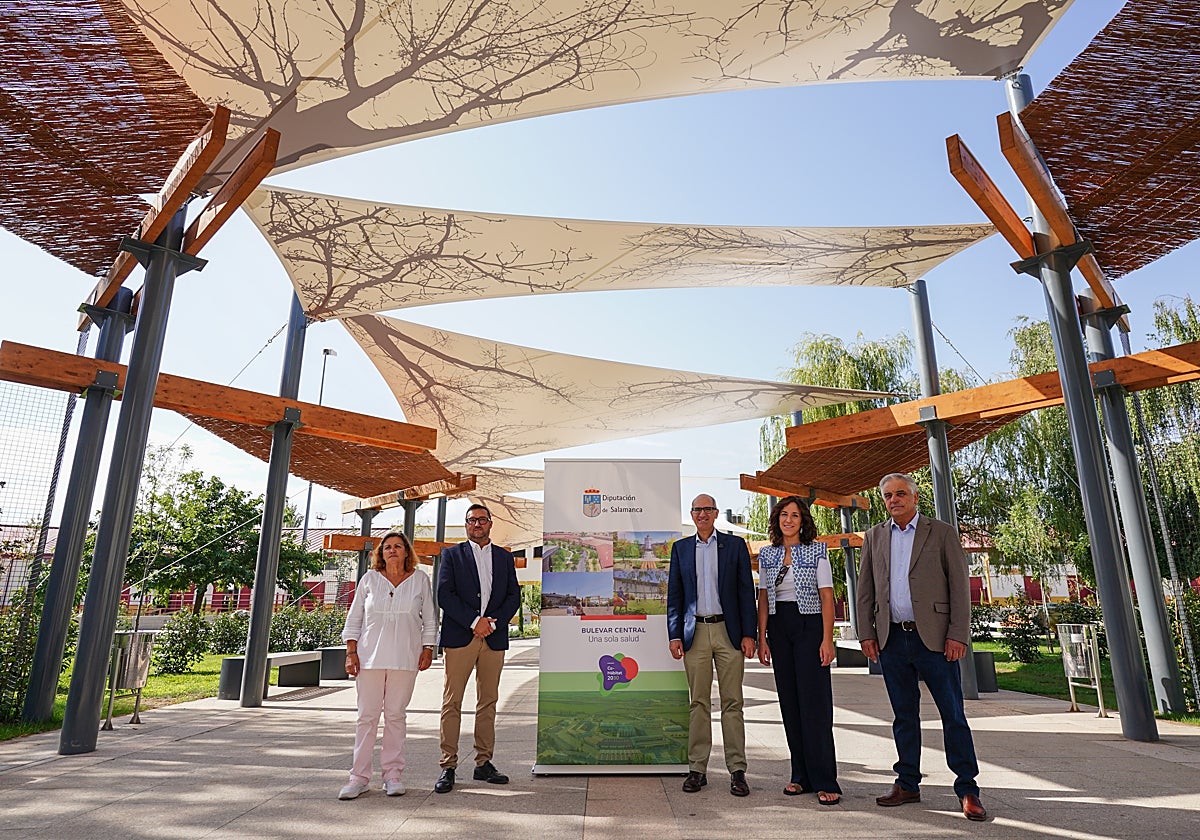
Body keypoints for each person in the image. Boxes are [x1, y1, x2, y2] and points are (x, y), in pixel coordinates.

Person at [856, 473, 987, 822]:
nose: (894, 500)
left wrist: (958, 634)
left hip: (936, 640)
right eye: (888, 495)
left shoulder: (941, 532)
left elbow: (959, 586)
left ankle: (967, 788)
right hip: (892, 640)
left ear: (915, 497)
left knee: (952, 715)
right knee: (904, 716)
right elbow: (865, 589)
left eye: (900, 493)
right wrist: (866, 633)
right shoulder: (875, 536)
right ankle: (907, 784)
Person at [666, 494, 757, 797]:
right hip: (695, 634)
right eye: (697, 510)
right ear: (692, 515)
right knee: (699, 703)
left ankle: (737, 771)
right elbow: (675, 596)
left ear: (716, 513)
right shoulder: (680, 549)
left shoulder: (735, 546)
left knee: (733, 703)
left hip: (728, 633)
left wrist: (750, 634)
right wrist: (674, 635)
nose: (702, 514)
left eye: (707, 509)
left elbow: (746, 592)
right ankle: (697, 770)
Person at [756, 496, 841, 805]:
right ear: (777, 519)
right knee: (790, 703)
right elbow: (763, 597)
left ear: (803, 521)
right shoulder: (767, 554)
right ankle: (800, 775)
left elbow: (827, 597)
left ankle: (825, 779)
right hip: (780, 628)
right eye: (784, 514)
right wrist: (762, 637)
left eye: (794, 515)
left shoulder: (817, 550)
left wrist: (827, 639)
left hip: (810, 626)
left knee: (814, 704)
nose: (788, 520)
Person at [339, 530, 435, 800]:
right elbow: (354, 618)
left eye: (397, 546)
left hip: (405, 658)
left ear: (406, 552)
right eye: (387, 547)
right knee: (366, 717)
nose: (392, 550)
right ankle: (358, 778)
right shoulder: (369, 579)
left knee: (395, 716)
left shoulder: (420, 580)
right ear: (381, 553)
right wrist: (351, 651)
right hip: (369, 658)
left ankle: (392, 775)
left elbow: (430, 618)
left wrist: (428, 648)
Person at [434, 503, 521, 793]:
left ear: (490, 523)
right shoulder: (452, 555)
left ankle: (484, 763)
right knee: (452, 702)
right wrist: (474, 622)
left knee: (488, 702)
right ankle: (448, 765)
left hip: (493, 638)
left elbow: (513, 595)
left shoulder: (504, 557)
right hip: (461, 637)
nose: (477, 524)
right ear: (466, 524)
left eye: (482, 520)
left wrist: (492, 624)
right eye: (471, 520)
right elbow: (444, 594)